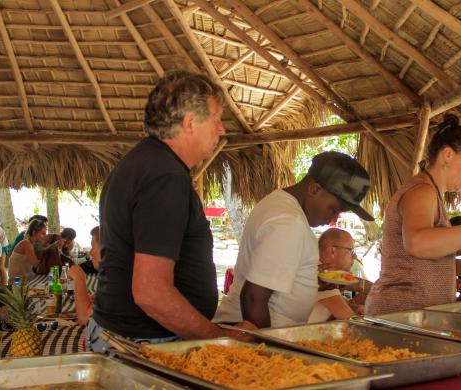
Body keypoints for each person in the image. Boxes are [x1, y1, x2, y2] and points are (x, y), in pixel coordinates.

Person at [88, 71, 250, 352]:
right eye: (216, 119)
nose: (221, 129)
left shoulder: (141, 162)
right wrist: (216, 338)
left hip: (126, 335)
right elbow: (151, 291)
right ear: (189, 123)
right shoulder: (165, 177)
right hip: (146, 345)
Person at [365, 115, 461, 315]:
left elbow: (422, 267)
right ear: (448, 154)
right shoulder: (422, 191)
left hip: (413, 314)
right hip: (400, 312)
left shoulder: (430, 192)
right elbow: (418, 244)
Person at [213, 151, 375, 328]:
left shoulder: (280, 204)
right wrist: (268, 349)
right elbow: (253, 297)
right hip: (250, 329)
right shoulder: (288, 221)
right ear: (315, 189)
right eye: (333, 209)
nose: (332, 219)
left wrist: (309, 281)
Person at [308, 228, 370, 322]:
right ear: (332, 251)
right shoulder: (322, 276)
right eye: (351, 250)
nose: (355, 257)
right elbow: (351, 321)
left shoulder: (321, 270)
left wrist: (355, 307)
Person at [69, 226, 100, 325]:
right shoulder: (113, 275)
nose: (90, 252)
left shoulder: (118, 279)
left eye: (93, 247)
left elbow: (85, 319)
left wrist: (79, 277)